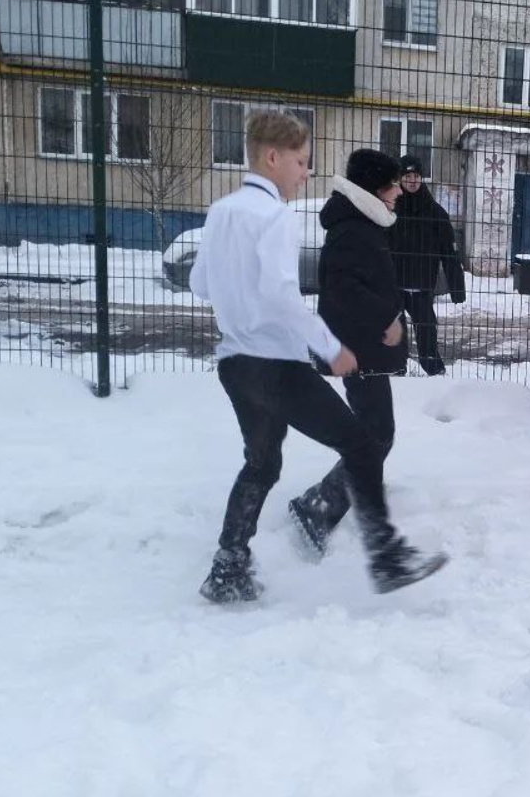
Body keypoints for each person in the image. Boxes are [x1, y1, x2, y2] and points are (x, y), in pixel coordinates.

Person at [191, 116, 446, 604]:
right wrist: (332, 347)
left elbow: (200, 284)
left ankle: (228, 566)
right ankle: (388, 557)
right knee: (364, 446)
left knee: (261, 466)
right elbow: (284, 297)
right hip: (276, 367)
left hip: (234, 364)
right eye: (302, 162)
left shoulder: (222, 211)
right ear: (273, 158)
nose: (307, 174)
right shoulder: (275, 216)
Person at [285, 148, 429, 560]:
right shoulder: (354, 230)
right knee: (376, 436)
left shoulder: (361, 224)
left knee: (374, 433)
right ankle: (317, 506)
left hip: (361, 347)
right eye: (392, 185)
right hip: (358, 349)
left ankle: (333, 498)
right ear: (373, 189)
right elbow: (342, 290)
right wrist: (388, 317)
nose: (399, 192)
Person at [389, 155, 467, 376]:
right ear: (400, 179)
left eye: (416, 176)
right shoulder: (391, 209)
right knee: (395, 331)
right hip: (395, 285)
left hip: (423, 285)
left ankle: (434, 369)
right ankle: (396, 368)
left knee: (427, 330)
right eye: (407, 176)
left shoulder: (435, 213)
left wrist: (457, 289)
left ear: (422, 179)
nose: (412, 181)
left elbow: (449, 254)